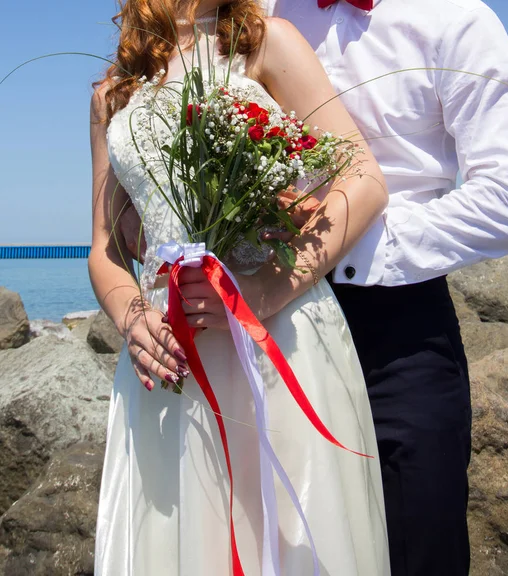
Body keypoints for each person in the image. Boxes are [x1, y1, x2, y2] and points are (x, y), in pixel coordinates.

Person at [122, 0, 508, 574]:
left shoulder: (456, 17)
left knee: (417, 541)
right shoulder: (256, 17)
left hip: (395, 328)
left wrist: (331, 243)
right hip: (263, 333)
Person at [90, 0, 392, 574]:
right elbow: (105, 246)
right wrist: (132, 316)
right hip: (171, 356)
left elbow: (364, 180)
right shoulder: (112, 92)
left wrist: (268, 289)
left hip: (278, 339)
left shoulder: (265, 44)